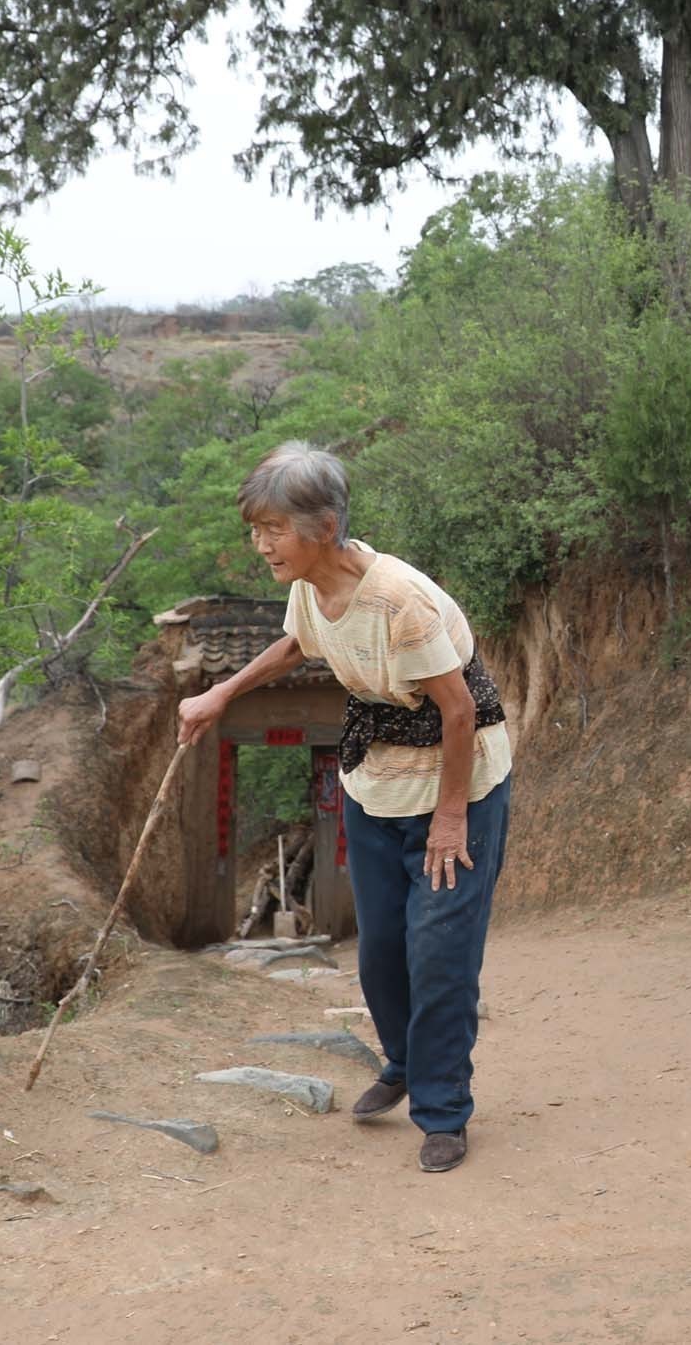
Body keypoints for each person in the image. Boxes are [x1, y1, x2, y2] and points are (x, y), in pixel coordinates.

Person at [179, 440, 512, 1174]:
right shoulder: (310, 583)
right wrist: (221, 693)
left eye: (274, 529)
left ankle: (442, 1110)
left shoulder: (398, 600)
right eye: (256, 529)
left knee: (439, 953)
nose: (261, 544)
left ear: (325, 526)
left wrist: (451, 818)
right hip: (376, 783)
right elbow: (296, 644)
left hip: (456, 787)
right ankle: (404, 1062)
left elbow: (459, 711)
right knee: (381, 950)